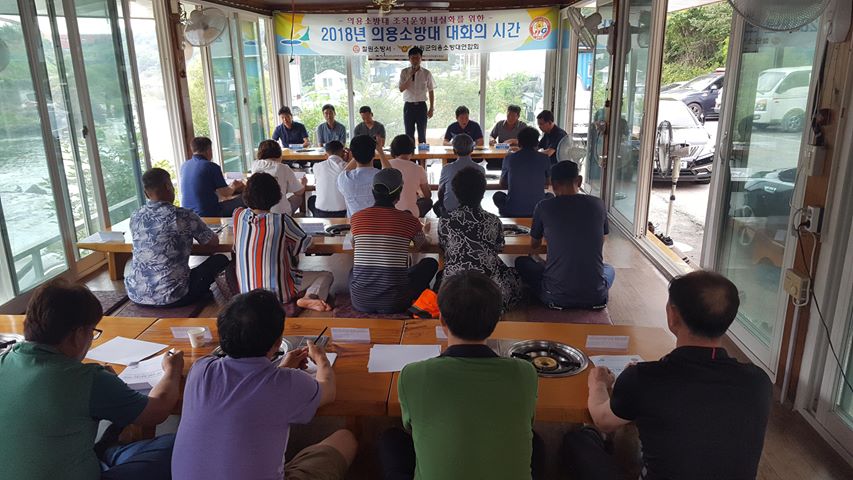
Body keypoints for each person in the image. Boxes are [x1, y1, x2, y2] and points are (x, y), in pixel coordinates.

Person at [567, 271, 772, 480]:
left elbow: (602, 420)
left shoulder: (643, 378)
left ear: (673, 316)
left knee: (580, 441)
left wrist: (598, 384)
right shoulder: (758, 383)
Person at [0, 280, 183, 480]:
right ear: (79, 334)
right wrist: (172, 370)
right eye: (92, 332)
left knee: (108, 449)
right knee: (176, 445)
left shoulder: (4, 360)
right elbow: (157, 411)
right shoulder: (86, 379)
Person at [172, 289, 357, 480]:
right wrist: (321, 359)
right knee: (345, 439)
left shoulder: (200, 369)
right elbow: (328, 390)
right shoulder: (288, 383)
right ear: (278, 342)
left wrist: (283, 368)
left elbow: (248, 389)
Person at [379, 272, 539, 480]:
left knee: (390, 439)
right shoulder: (525, 373)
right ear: (497, 321)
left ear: (441, 320)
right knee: (537, 444)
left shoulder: (413, 375)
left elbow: (410, 425)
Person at [515, 161, 615, 309]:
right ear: (579, 181)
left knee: (522, 262)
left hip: (554, 296)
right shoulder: (598, 204)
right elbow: (602, 239)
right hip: (596, 297)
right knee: (609, 269)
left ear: (553, 184)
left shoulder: (544, 206)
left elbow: (534, 245)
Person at [125, 168, 229, 307]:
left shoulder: (136, 216)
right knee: (220, 259)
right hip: (173, 296)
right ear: (168, 187)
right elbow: (212, 242)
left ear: (146, 193)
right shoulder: (183, 215)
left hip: (137, 295)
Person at [234, 172, 334, 311]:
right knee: (326, 275)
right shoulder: (281, 221)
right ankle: (310, 297)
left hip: (247, 295)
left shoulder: (238, 215)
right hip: (279, 294)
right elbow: (307, 244)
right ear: (276, 195)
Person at [350, 168, 438, 314]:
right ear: (399, 193)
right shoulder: (409, 220)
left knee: (353, 271)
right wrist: (425, 233)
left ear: (372, 192)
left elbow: (354, 244)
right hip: (395, 302)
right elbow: (422, 246)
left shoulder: (356, 218)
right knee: (430, 263)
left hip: (360, 301)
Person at [439, 167, 523, 311]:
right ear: (483, 193)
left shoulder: (445, 220)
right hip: (489, 294)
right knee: (515, 277)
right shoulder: (493, 220)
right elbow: (499, 247)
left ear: (456, 193)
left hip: (452, 293)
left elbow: (444, 246)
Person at [493, 126, 552, 217]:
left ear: (519, 143)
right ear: (537, 143)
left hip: (512, 211)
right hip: (538, 211)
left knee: (498, 196)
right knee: (550, 196)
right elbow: (548, 182)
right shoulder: (545, 158)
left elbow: (502, 184)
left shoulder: (509, 158)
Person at [181, 136, 245, 217]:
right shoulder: (211, 166)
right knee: (245, 198)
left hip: (188, 214)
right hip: (208, 213)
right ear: (208, 150)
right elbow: (225, 194)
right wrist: (234, 185)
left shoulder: (184, 166)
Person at [336, 134, 392, 217]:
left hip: (354, 224)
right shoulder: (381, 177)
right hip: (379, 224)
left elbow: (344, 171)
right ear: (374, 154)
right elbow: (390, 174)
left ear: (352, 155)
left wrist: (356, 154)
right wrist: (380, 151)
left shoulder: (344, 179)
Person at [251, 140, 307, 216]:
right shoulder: (283, 168)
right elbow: (298, 192)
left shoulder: (254, 165)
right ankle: (296, 216)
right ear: (280, 153)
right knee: (298, 198)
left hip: (259, 213)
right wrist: (303, 183)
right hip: (281, 213)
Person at [435, 134, 485, 216]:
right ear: (472, 149)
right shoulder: (480, 169)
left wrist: (443, 207)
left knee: (436, 206)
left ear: (454, 151)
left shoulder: (447, 168)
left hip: (450, 210)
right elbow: (481, 192)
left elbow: (441, 190)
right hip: (474, 210)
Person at [389, 134, 433, 218]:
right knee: (428, 202)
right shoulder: (419, 168)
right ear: (412, 150)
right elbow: (427, 195)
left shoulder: (387, 165)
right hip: (412, 214)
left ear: (393, 150)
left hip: (391, 213)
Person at [399, 46, 435, 144]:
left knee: (422, 133)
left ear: (421, 58)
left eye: (417, 58)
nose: (415, 60)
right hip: (409, 106)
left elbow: (431, 91)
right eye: (413, 58)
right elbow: (401, 89)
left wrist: (431, 108)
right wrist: (411, 75)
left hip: (421, 106)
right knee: (409, 133)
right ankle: (409, 154)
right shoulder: (404, 72)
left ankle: (422, 154)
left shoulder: (426, 73)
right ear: (409, 59)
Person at [309, 140, 348, 217]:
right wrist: (349, 160)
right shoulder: (347, 166)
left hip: (322, 212)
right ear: (343, 152)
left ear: (326, 153)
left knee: (312, 199)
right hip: (343, 212)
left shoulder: (317, 166)